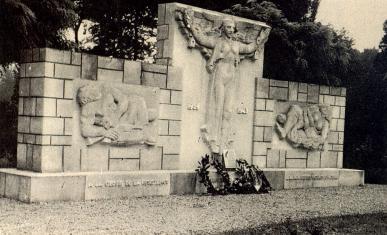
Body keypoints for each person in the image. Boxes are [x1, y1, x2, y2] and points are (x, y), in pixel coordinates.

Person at [189, 18, 270, 154]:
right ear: (223, 28)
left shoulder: (237, 45)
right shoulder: (218, 41)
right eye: (228, 27)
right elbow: (202, 40)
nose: (231, 30)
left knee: (228, 111)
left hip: (232, 77)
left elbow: (250, 48)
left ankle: (224, 140)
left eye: (232, 27)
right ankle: (213, 139)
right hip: (220, 74)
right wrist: (191, 26)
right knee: (218, 108)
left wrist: (260, 38)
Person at [77, 84, 157, 146]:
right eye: (90, 88)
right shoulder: (88, 107)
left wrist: (115, 116)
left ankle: (143, 124)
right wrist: (103, 132)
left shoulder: (106, 88)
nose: (93, 87)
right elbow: (85, 129)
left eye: (92, 86)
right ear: (86, 98)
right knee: (148, 111)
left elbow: (123, 99)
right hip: (120, 123)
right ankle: (144, 131)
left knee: (138, 101)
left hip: (122, 114)